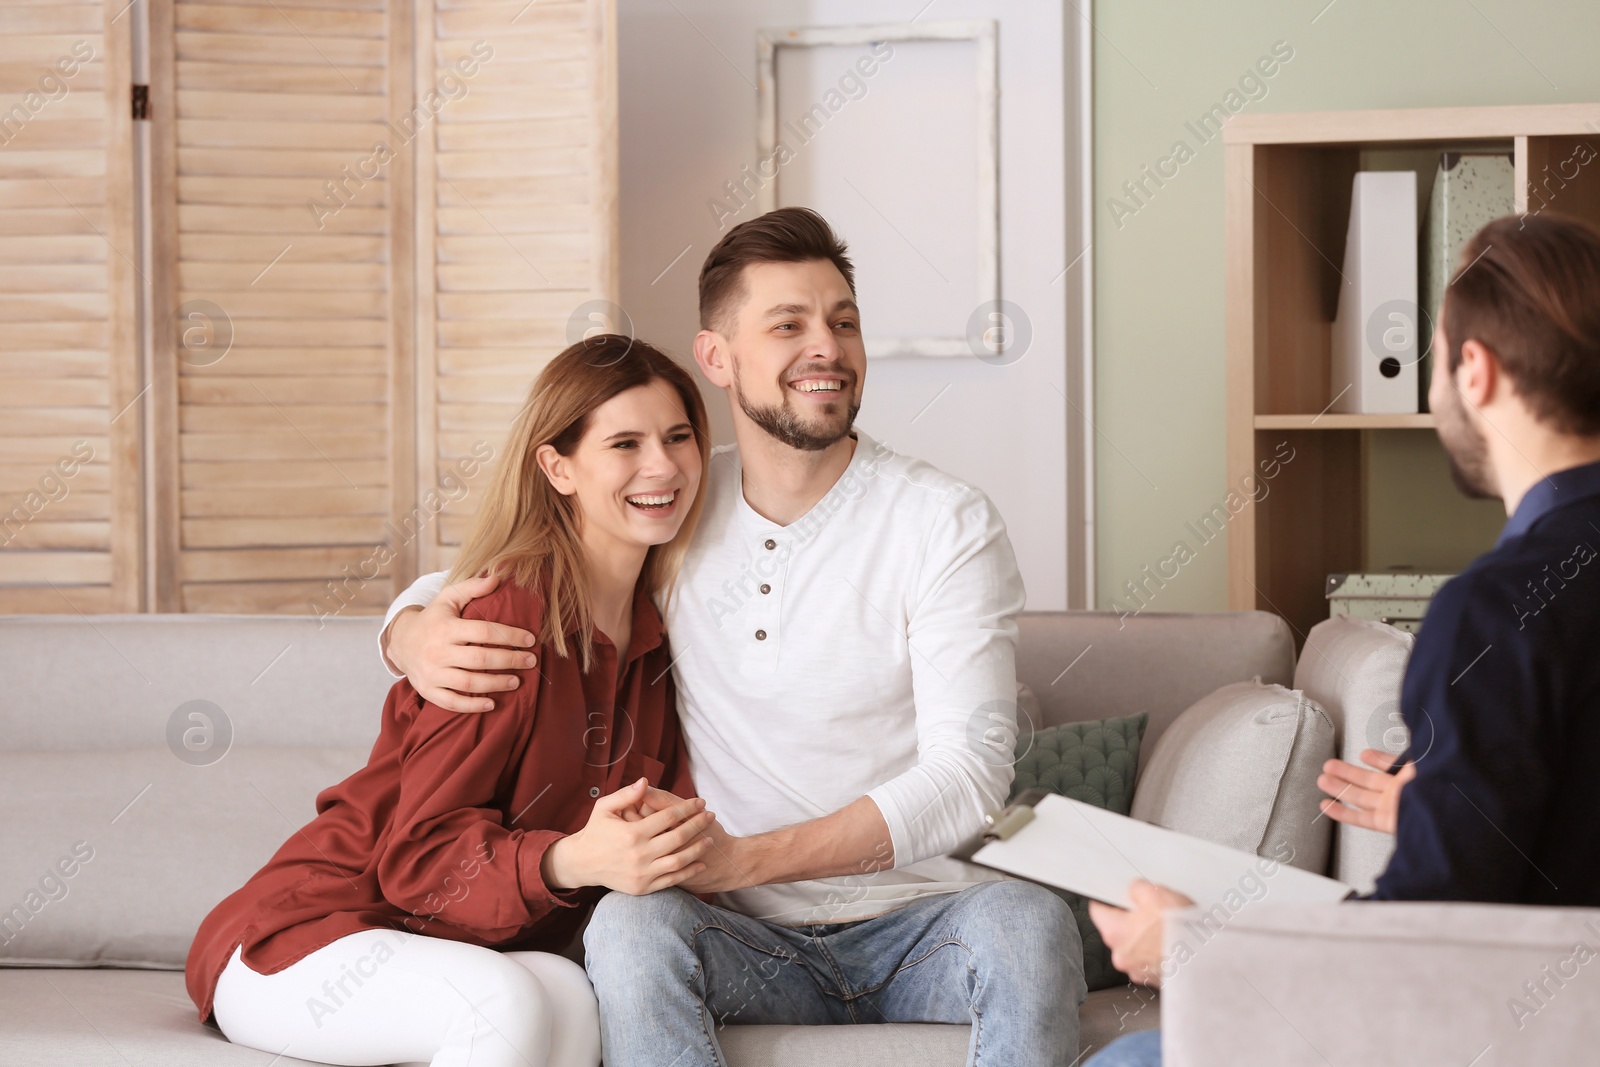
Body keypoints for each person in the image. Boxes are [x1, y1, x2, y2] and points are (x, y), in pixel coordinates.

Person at [381, 207, 1087, 1065]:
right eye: (788, 324)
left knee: (1029, 921)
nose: (825, 346)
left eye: (844, 321)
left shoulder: (944, 521)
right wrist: (409, 627)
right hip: (735, 937)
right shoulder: (674, 502)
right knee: (632, 923)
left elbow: (970, 778)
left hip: (919, 920)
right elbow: (520, 561)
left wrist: (741, 860)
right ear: (716, 357)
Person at [1083, 211, 1600, 1065]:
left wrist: (1196, 947)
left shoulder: (1492, 611)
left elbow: (1422, 947)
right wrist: (1450, 807)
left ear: (1477, 371)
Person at [184, 336, 719, 1067]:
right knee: (502, 1006)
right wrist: (568, 858)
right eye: (625, 442)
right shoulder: (503, 624)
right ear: (557, 467)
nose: (662, 464)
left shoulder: (655, 644)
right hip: (310, 935)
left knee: (570, 994)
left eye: (678, 436)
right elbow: (416, 860)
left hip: (446, 951)